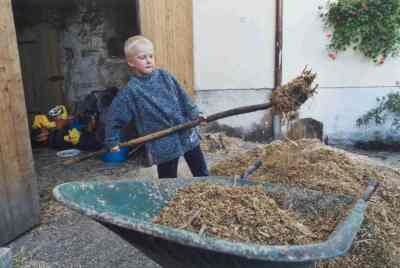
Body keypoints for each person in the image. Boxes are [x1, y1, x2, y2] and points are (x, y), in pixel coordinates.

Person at [105, 35, 209, 178]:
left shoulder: (165, 76)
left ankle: (207, 188)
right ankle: (168, 198)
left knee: (201, 172)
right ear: (131, 62)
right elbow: (114, 116)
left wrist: (196, 114)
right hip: (162, 141)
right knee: (167, 179)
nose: (148, 61)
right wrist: (113, 140)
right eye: (142, 57)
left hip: (185, 130)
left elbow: (184, 98)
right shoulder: (131, 91)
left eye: (151, 56)